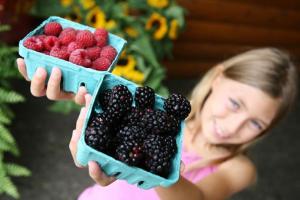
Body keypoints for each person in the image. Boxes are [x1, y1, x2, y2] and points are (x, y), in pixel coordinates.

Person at [17, 47, 298, 200]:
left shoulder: (238, 168)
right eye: (235, 104)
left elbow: (196, 199)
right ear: (217, 78)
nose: (234, 126)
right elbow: (114, 115)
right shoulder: (165, 117)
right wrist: (81, 92)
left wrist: (148, 164)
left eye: (256, 124)